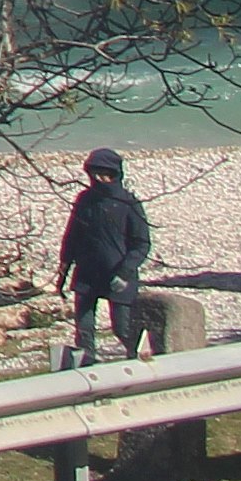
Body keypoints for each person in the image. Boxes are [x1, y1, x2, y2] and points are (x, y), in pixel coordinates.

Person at [60, 148, 160, 365]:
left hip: (118, 275)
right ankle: (87, 367)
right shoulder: (84, 200)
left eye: (104, 174)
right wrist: (63, 271)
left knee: (122, 328)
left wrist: (125, 272)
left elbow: (142, 244)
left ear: (115, 175)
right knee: (84, 328)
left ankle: (140, 360)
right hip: (87, 273)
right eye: (94, 174)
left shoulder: (128, 203)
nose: (98, 179)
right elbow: (71, 237)